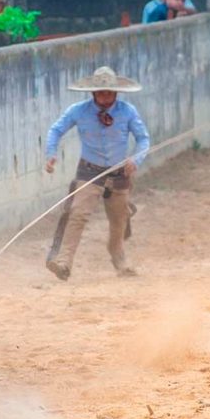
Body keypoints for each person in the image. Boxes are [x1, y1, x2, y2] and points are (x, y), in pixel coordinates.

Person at [44, 66, 151, 280]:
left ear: (117, 92)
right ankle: (64, 261)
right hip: (89, 172)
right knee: (78, 214)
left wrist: (136, 159)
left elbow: (143, 139)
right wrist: (51, 153)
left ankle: (119, 259)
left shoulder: (128, 111)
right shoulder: (78, 111)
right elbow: (56, 130)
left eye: (109, 92)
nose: (105, 97)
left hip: (119, 173)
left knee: (119, 220)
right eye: (101, 92)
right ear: (93, 92)